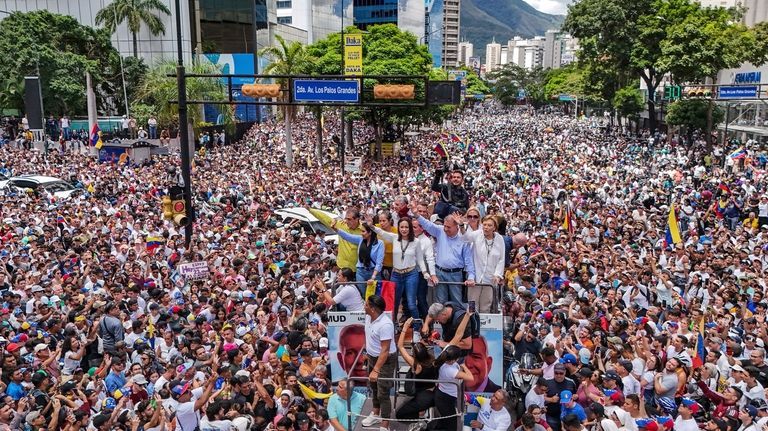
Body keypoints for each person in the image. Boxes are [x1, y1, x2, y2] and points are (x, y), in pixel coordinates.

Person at [415, 210, 476, 307]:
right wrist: (416, 214)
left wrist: (471, 277)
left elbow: (468, 261)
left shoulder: (463, 238)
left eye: (448, 227)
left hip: (455, 274)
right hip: (440, 272)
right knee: (440, 303)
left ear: (456, 227)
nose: (445, 229)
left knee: (457, 302)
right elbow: (427, 225)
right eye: (444, 226)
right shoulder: (440, 231)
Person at [372, 216, 426, 322]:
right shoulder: (394, 238)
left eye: (406, 227)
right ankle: (393, 326)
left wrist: (425, 272)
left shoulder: (416, 242)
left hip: (411, 274)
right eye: (402, 227)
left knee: (411, 303)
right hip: (396, 274)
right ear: (398, 228)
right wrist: (371, 226)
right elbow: (381, 233)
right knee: (394, 303)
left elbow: (420, 259)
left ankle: (416, 328)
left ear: (410, 228)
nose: (404, 229)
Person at [359, 295, 397, 430]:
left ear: (373, 309)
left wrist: (376, 369)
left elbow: (385, 350)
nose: (364, 306)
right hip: (371, 357)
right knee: (373, 387)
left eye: (367, 305)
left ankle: (385, 425)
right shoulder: (369, 317)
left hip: (385, 360)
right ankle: (375, 413)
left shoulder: (385, 324)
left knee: (383, 393)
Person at [395, 317, 438, 429]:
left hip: (422, 396)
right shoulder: (433, 360)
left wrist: (404, 328)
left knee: (399, 414)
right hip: (432, 392)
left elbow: (400, 346)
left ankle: (421, 420)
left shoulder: (416, 365)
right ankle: (422, 414)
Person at [457, 214, 505, 313]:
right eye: (484, 225)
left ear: (494, 227)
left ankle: (482, 328)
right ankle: (471, 327)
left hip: (490, 280)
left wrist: (497, 274)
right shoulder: (477, 234)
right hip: (475, 279)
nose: (486, 227)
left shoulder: (500, 239)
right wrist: (461, 226)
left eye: (489, 225)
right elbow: (465, 238)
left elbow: (501, 259)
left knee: (485, 307)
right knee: (472, 308)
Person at [331, 220, 384, 298]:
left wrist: (373, 277)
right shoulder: (360, 239)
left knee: (375, 296)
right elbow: (347, 236)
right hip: (361, 272)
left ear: (370, 233)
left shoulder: (380, 243)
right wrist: (335, 228)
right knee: (362, 295)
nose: (361, 233)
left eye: (363, 231)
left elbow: (379, 262)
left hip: (374, 273)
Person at [428, 345, 474, 430]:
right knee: (452, 425)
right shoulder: (450, 370)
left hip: (443, 393)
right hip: (445, 398)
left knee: (445, 419)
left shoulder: (443, 359)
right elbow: (471, 377)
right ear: (454, 359)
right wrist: (464, 366)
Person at [310, 207, 363, 276]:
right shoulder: (341, 225)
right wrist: (310, 209)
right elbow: (324, 218)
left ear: (357, 219)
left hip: (358, 269)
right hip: (342, 267)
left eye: (349, 219)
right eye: (346, 218)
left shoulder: (364, 230)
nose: (346, 221)